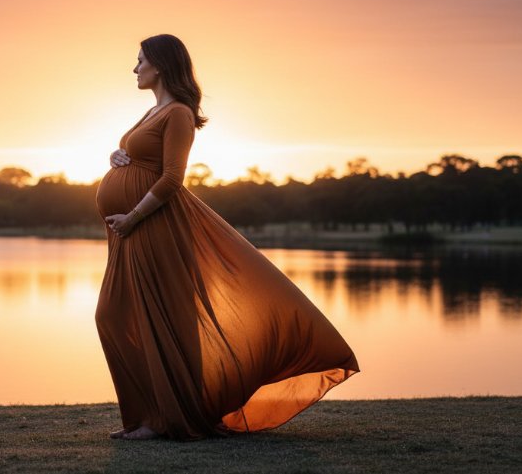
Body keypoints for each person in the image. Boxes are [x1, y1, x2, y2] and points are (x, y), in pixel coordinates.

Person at [94, 34, 359, 441]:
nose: (135, 69)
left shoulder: (178, 113)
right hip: (129, 233)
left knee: (160, 319)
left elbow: (171, 179)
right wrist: (116, 156)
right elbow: (133, 154)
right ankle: (150, 416)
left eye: (140, 60)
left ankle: (164, 420)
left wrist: (132, 217)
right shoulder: (153, 112)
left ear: (160, 65)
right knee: (117, 314)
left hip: (151, 227)